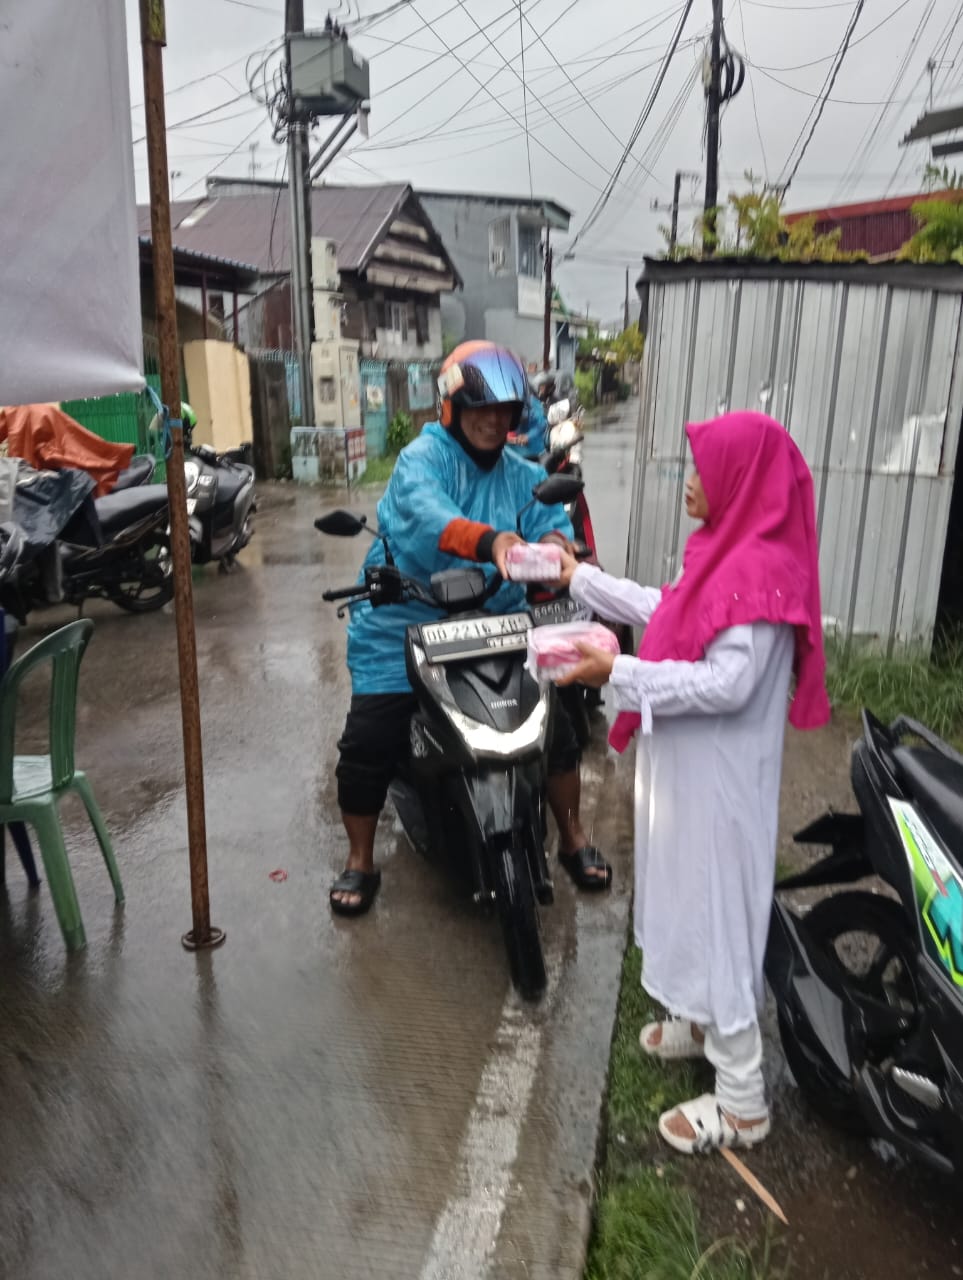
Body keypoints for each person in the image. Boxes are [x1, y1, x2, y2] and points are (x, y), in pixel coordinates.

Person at [554, 411, 830, 1154]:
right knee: (686, 899)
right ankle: (702, 1025)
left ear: (742, 480)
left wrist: (618, 670)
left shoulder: (760, 574)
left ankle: (742, 1101)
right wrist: (579, 578)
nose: (689, 481)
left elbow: (728, 685)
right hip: (691, 777)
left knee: (718, 920)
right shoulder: (724, 553)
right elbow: (668, 609)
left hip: (720, 788)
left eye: (704, 469)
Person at [329, 340, 612, 916]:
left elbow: (549, 520)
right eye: (480, 409)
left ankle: (572, 837)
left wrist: (555, 545)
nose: (492, 421)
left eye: (503, 410)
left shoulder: (521, 472)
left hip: (495, 620)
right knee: (369, 741)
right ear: (452, 408)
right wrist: (492, 542)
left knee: (557, 733)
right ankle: (360, 859)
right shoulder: (421, 460)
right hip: (405, 621)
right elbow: (426, 516)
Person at [508, 390, 549, 456]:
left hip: (544, 442)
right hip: (526, 450)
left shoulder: (531, 401)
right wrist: (512, 440)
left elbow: (543, 421)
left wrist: (528, 436)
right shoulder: (507, 415)